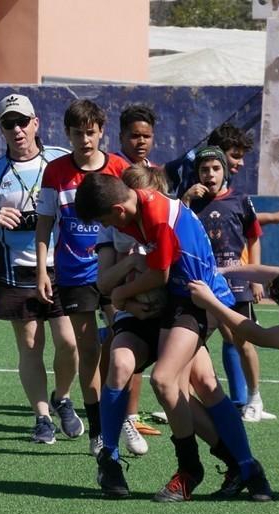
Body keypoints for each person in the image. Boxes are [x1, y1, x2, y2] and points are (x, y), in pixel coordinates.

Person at [76, 173, 273, 502]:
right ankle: (243, 467)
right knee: (157, 373)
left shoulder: (156, 216)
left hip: (195, 299)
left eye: (104, 219)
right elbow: (110, 280)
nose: (104, 226)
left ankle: (193, 469)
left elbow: (160, 274)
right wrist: (127, 292)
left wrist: (124, 293)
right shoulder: (130, 215)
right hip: (169, 302)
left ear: (118, 209)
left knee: (171, 382)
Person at [0, 93, 79, 445]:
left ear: (36, 123)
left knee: (69, 343)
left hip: (63, 266)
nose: (17, 130)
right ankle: (42, 416)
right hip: (17, 270)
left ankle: (63, 396)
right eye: (9, 124)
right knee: (30, 344)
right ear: (1, 129)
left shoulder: (60, 160)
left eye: (22, 122)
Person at [34, 99, 131, 455]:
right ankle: (98, 431)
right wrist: (44, 269)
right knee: (88, 349)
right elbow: (45, 223)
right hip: (74, 273)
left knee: (123, 345)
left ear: (102, 131)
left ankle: (125, 418)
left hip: (116, 272)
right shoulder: (56, 172)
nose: (85, 140)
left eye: (91, 132)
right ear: (67, 134)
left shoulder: (119, 168)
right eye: (78, 133)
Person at [187, 146, 273, 421]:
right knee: (190, 341)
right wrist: (186, 200)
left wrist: (254, 277)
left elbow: (253, 237)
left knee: (242, 339)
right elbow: (177, 228)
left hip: (236, 280)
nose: (210, 174)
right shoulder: (190, 201)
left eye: (215, 168)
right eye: (204, 169)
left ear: (224, 171)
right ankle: (184, 396)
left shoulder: (240, 200)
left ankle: (254, 398)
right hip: (203, 282)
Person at [113, 104, 163, 441]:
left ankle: (131, 414)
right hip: (118, 271)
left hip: (149, 275)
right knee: (118, 351)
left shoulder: (157, 175)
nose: (140, 142)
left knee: (140, 349)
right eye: (134, 135)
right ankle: (118, 419)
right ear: (121, 137)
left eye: (146, 136)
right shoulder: (114, 172)